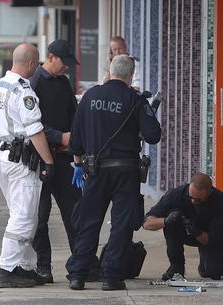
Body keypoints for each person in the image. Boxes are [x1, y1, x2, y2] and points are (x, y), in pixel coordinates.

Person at [66, 55, 161, 291]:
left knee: (89, 222)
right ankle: (111, 277)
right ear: (130, 76)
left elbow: (75, 141)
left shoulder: (89, 96)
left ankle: (78, 274)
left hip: (94, 170)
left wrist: (79, 164)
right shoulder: (135, 99)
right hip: (126, 171)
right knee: (121, 224)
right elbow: (153, 135)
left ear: (110, 71)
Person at [0, 43, 55, 288]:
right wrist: (48, 161)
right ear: (29, 64)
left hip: (5, 157)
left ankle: (24, 267)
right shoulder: (22, 90)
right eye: (36, 63)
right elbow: (35, 129)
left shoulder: (0, 85)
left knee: (23, 215)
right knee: (24, 218)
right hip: (21, 162)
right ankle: (8, 269)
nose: (37, 67)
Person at [28, 39, 81, 283]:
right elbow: (32, 125)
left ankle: (82, 263)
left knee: (75, 213)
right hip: (39, 160)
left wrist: (75, 138)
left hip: (63, 158)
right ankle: (43, 267)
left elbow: (74, 115)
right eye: (64, 62)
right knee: (40, 217)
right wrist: (61, 136)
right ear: (51, 57)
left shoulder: (63, 82)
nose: (67, 67)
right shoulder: (34, 84)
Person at [143, 173, 223, 281]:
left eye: (198, 199)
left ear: (209, 192)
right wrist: (166, 220)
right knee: (172, 220)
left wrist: (197, 233)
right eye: (190, 197)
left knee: (218, 273)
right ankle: (176, 267)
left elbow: (215, 238)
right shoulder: (176, 194)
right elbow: (146, 223)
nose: (193, 201)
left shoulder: (220, 201)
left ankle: (205, 264)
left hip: (208, 236)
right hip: (182, 233)